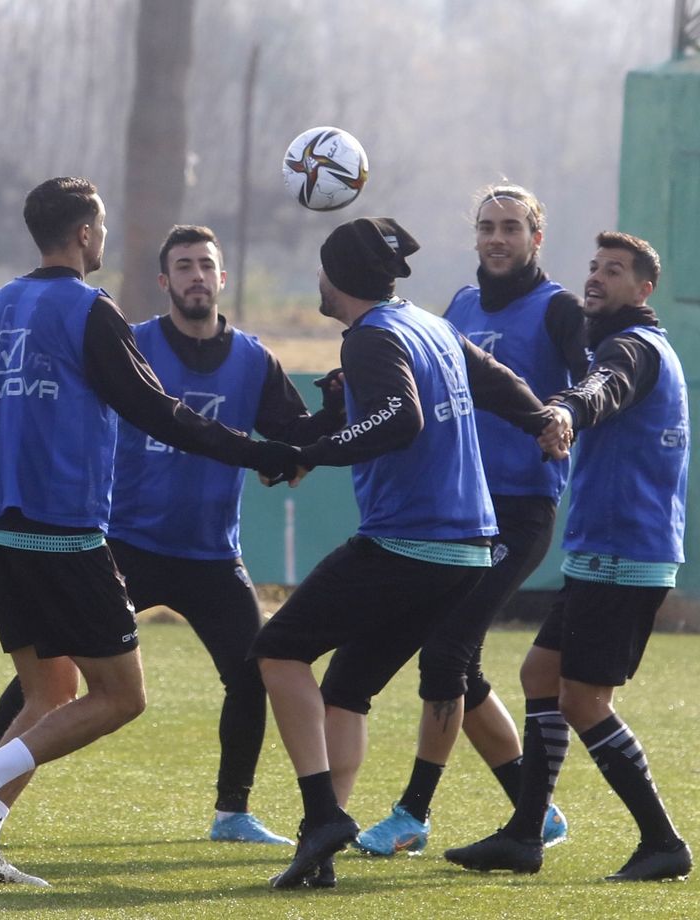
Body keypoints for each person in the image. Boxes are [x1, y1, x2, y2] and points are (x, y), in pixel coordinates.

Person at [0, 177, 304, 886]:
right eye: (103, 227)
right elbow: (159, 412)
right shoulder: (90, 310)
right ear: (85, 234)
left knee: (46, 694)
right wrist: (258, 450)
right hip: (67, 535)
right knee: (122, 696)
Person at [251, 217, 563, 889]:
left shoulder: (372, 337)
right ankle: (321, 842)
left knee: (277, 654)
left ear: (337, 276)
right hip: (468, 550)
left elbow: (399, 417)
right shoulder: (428, 324)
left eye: (321, 269)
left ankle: (321, 816)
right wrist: (540, 418)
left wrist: (312, 453)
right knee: (346, 690)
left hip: (408, 543)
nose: (317, 280)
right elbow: (496, 379)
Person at [446, 232, 691, 882]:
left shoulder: (631, 349)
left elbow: (601, 388)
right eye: (593, 267)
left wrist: (564, 408)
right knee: (539, 677)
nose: (595, 278)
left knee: (585, 701)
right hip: (602, 553)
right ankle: (525, 835)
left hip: (622, 554)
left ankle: (662, 842)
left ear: (643, 289)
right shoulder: (635, 346)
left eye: (613, 271)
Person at [356, 184, 586, 857]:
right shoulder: (456, 304)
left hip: (521, 509)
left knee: (446, 651)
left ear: (536, 237)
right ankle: (534, 807)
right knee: (458, 656)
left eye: (512, 227)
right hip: (463, 510)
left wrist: (564, 414)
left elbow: (587, 383)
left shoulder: (559, 310)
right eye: (487, 226)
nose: (497, 238)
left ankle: (413, 813)